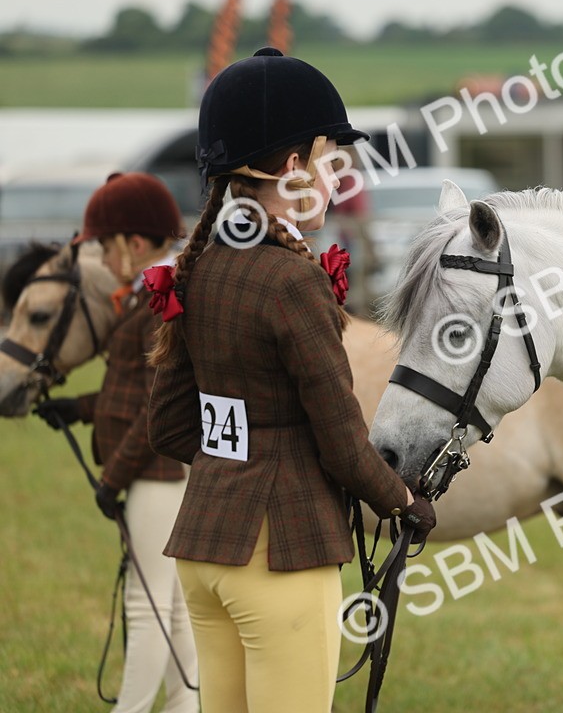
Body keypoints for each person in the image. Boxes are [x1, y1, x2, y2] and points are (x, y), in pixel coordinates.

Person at [144, 47, 436, 713]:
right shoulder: (292, 281)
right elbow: (340, 439)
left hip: (203, 554)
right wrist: (403, 503)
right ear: (295, 165)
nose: (341, 176)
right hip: (281, 559)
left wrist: (239, 466)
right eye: (333, 158)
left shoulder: (199, 265)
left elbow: (169, 425)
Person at [35, 171, 199, 713]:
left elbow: (155, 409)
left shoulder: (159, 302)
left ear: (132, 243)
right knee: (172, 607)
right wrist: (78, 410)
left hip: (156, 475)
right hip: (157, 475)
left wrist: (111, 479)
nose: (102, 260)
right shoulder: (146, 298)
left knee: (145, 605)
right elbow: (131, 391)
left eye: (105, 247)